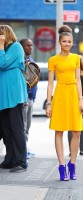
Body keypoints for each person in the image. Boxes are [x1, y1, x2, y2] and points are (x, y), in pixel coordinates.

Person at [46, 25, 83, 181]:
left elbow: (78, 79)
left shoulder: (76, 58)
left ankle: (72, 165)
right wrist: (48, 103)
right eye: (64, 41)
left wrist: (81, 100)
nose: (67, 44)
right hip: (60, 94)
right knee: (59, 131)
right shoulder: (53, 60)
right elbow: (50, 83)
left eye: (69, 41)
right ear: (59, 42)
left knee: (77, 131)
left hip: (73, 94)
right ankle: (62, 166)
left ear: (72, 42)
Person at [0, 25, 28, 172]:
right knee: (6, 129)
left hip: (14, 94)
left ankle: (21, 161)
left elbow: (2, 64)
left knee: (17, 128)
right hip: (3, 96)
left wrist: (0, 47)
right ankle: (10, 159)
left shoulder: (16, 47)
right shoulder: (2, 50)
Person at [20, 38, 37, 159]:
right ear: (22, 47)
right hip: (24, 99)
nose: (30, 48)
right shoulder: (20, 61)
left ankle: (25, 147)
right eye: (28, 46)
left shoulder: (31, 60)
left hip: (31, 99)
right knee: (23, 126)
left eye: (31, 45)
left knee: (28, 127)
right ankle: (22, 151)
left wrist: (33, 98)